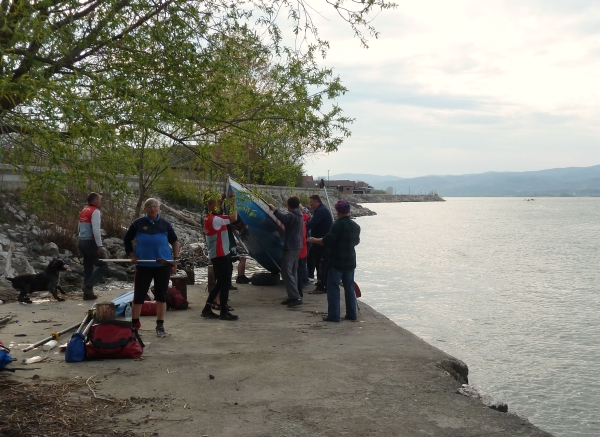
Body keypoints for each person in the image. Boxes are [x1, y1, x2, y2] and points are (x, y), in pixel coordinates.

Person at [124, 198, 179, 337]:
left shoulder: (165, 224)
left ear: (158, 208)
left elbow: (174, 241)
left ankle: (160, 326)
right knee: (139, 296)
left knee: (161, 296)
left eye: (155, 206)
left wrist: (175, 260)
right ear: (145, 209)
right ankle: (135, 325)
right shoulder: (138, 224)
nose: (152, 209)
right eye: (149, 207)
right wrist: (132, 254)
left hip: (162, 265)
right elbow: (127, 240)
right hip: (143, 265)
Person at [307, 200, 360, 322]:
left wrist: (314, 240)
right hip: (350, 260)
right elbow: (356, 242)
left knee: (333, 288)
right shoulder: (356, 226)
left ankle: (334, 315)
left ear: (338, 211)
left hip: (336, 261)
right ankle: (352, 314)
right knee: (349, 287)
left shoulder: (337, 225)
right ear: (348, 211)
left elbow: (327, 240)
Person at [201, 194, 239, 321]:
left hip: (218, 254)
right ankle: (224, 311)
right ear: (210, 206)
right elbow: (233, 218)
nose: (219, 206)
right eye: (216, 204)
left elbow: (216, 208)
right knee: (226, 283)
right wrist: (233, 201)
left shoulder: (207, 216)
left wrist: (222, 199)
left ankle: (207, 308)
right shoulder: (215, 219)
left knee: (220, 282)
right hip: (220, 254)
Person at [267, 196, 304, 307]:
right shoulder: (299, 214)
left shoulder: (293, 216)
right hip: (297, 246)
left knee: (286, 272)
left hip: (291, 247)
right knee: (292, 272)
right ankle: (293, 295)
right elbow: (286, 218)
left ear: (289, 205)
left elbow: (284, 218)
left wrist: (274, 209)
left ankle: (295, 297)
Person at [77, 192, 109, 300]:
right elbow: (95, 228)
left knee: (88, 267)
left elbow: (79, 227)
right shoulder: (95, 211)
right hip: (91, 242)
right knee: (103, 265)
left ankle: (87, 294)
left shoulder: (84, 211)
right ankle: (88, 286)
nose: (100, 202)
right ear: (94, 201)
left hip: (82, 241)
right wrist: (99, 245)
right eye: (99, 200)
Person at [306, 194, 333, 293]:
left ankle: (322, 285)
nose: (310, 204)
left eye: (312, 202)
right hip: (317, 240)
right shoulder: (321, 210)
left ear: (317, 201)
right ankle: (314, 278)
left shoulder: (321, 211)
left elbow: (312, 223)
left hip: (321, 241)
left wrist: (301, 228)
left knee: (320, 263)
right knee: (311, 258)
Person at [296, 206, 310, 297]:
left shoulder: (299, 220)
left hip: (299, 248)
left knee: (298, 270)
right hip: (304, 247)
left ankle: (299, 292)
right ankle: (305, 281)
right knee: (302, 266)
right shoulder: (304, 219)